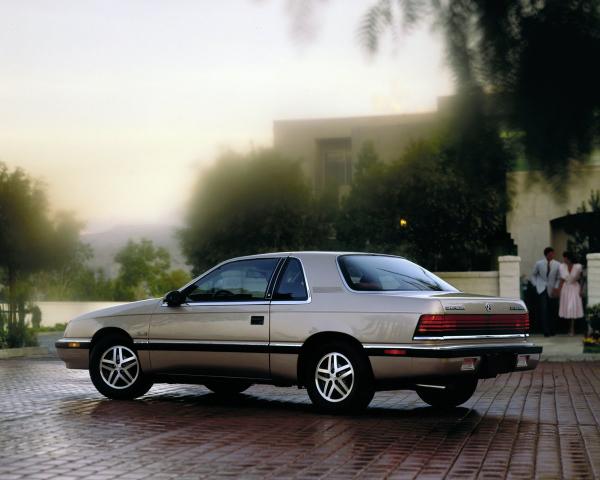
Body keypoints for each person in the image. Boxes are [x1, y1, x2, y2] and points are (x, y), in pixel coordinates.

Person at [530, 247, 561, 336]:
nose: (552, 255)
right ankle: (546, 331)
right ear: (546, 254)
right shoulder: (539, 263)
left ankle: (553, 330)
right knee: (544, 310)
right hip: (541, 289)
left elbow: (559, 278)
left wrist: (556, 288)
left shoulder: (557, 264)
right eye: (550, 254)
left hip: (552, 289)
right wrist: (535, 285)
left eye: (553, 254)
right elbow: (533, 275)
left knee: (553, 310)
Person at [558, 251, 584, 336]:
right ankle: (569, 328)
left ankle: (572, 329)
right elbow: (561, 279)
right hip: (565, 288)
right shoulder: (562, 266)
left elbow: (582, 279)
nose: (564, 259)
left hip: (575, 288)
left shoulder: (578, 266)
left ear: (569, 258)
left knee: (572, 307)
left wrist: (581, 290)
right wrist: (559, 290)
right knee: (567, 308)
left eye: (565, 257)